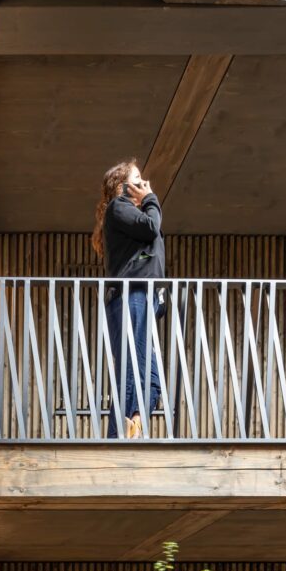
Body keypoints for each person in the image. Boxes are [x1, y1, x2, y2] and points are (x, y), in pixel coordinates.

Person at [91, 159, 164, 439]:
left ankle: (132, 427)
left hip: (144, 298)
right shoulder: (118, 207)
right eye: (137, 179)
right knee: (132, 373)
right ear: (122, 186)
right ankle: (114, 441)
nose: (143, 184)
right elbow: (150, 228)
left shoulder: (129, 215)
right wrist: (150, 199)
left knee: (152, 383)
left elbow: (150, 245)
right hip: (130, 295)